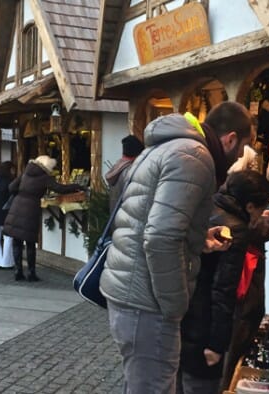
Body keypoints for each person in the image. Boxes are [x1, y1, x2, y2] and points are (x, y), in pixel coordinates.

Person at [99, 101, 253, 393]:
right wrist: (175, 306)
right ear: (231, 139)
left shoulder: (167, 146)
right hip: (148, 303)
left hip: (133, 296)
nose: (239, 159)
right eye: (244, 147)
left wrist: (198, 239)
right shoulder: (194, 155)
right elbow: (159, 238)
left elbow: (150, 224)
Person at [178, 171, 269, 394]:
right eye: (263, 207)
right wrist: (217, 343)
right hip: (204, 326)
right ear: (250, 206)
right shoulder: (237, 229)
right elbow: (224, 289)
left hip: (184, 314)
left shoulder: (208, 208)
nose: (262, 214)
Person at [3, 155, 82, 282]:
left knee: (16, 241)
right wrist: (76, 186)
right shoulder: (45, 177)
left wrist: (22, 193)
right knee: (29, 242)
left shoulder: (25, 173)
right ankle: (31, 273)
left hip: (17, 207)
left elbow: (11, 187)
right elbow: (59, 189)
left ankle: (18, 271)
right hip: (31, 209)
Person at [105, 135, 145, 212]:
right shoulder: (131, 172)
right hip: (127, 220)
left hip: (117, 218)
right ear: (138, 154)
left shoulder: (117, 167)